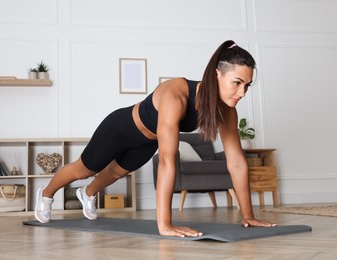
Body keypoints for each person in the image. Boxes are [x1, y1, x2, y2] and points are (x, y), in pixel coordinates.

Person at [34, 40, 276, 237]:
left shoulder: (226, 110)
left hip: (146, 141)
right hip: (120, 128)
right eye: (237, 83)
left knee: (116, 173)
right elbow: (168, 161)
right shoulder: (177, 94)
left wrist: (248, 215)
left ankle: (87, 194)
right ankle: (46, 194)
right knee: (84, 169)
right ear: (216, 76)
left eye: (247, 85)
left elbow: (236, 162)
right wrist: (165, 225)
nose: (242, 92)